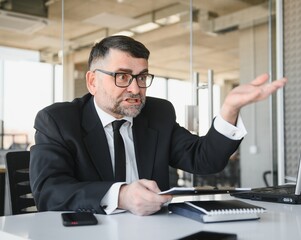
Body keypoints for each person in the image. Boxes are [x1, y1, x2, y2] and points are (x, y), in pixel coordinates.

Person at [29, 35, 287, 216]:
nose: (135, 88)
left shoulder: (157, 113)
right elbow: (49, 193)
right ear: (93, 81)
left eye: (142, 77)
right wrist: (121, 196)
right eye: (122, 76)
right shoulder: (58, 121)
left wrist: (229, 109)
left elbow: (203, 160)